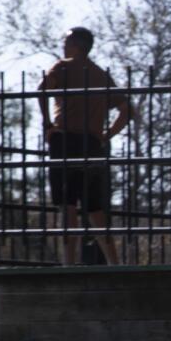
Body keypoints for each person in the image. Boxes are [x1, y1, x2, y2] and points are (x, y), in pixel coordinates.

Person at [37, 26, 134, 265]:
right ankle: (114, 262)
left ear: (76, 44)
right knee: (95, 208)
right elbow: (126, 111)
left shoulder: (63, 66)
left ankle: (69, 264)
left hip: (65, 140)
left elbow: (41, 92)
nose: (64, 45)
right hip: (92, 144)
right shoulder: (100, 74)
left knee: (68, 204)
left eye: (67, 41)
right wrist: (106, 135)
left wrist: (48, 123)